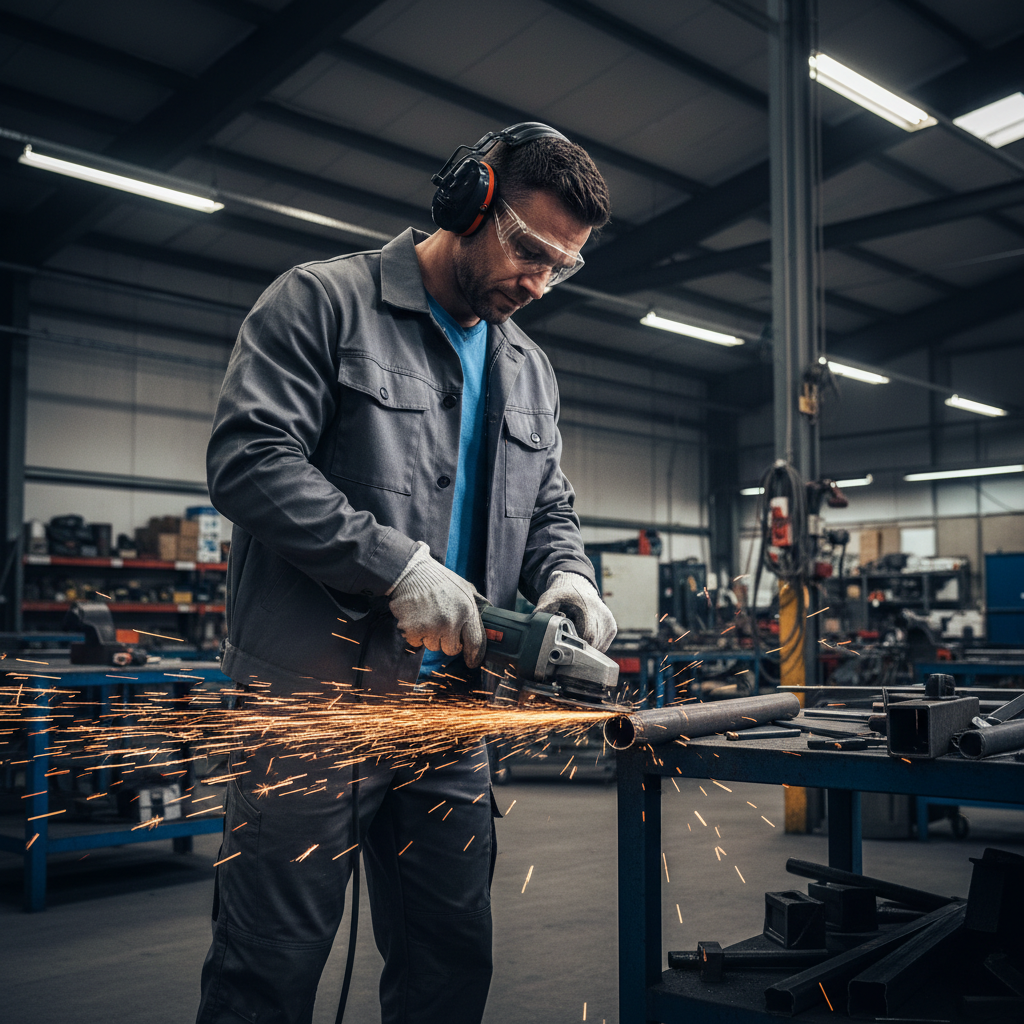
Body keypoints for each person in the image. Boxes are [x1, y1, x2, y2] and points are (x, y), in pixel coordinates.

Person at [197, 123, 617, 1024]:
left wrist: (569, 577)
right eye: (530, 251)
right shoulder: (321, 302)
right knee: (266, 970)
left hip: (447, 721)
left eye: (562, 269)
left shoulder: (530, 371)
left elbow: (549, 509)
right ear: (469, 200)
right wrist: (395, 568)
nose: (538, 283)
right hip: (311, 713)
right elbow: (250, 460)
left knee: (448, 966)